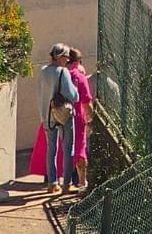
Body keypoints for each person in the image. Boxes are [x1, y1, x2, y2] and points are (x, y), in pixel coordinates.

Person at [37, 44, 80, 195]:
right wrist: (74, 87)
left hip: (47, 115)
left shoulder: (43, 71)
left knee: (51, 149)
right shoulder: (63, 72)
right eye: (66, 56)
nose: (68, 60)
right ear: (59, 56)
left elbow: (42, 94)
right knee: (68, 148)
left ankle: (52, 183)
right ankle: (66, 184)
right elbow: (74, 96)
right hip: (63, 114)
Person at [68, 48, 94, 190]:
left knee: (65, 150)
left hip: (59, 117)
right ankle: (82, 183)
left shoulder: (61, 74)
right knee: (80, 150)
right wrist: (91, 120)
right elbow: (86, 102)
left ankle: (64, 182)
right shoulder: (79, 77)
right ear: (78, 61)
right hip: (77, 117)